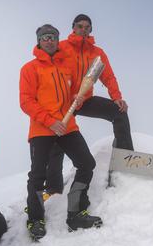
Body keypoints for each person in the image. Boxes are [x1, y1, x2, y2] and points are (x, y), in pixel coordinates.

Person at [19, 24, 103, 242]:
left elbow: (78, 90)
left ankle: (75, 213)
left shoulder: (66, 66)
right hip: (42, 129)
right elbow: (26, 102)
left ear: (57, 40)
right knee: (38, 174)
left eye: (53, 37)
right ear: (39, 41)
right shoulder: (29, 69)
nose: (49, 40)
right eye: (45, 37)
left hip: (68, 126)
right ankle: (36, 219)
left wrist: (80, 97)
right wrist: (49, 121)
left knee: (87, 164)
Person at [44, 14, 133, 196]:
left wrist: (117, 97)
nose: (83, 30)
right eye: (80, 26)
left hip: (85, 99)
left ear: (91, 29)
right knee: (56, 140)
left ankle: (125, 159)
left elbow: (108, 76)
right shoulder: (62, 47)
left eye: (87, 27)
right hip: (64, 102)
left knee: (119, 112)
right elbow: (50, 71)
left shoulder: (97, 52)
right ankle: (53, 188)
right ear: (73, 27)